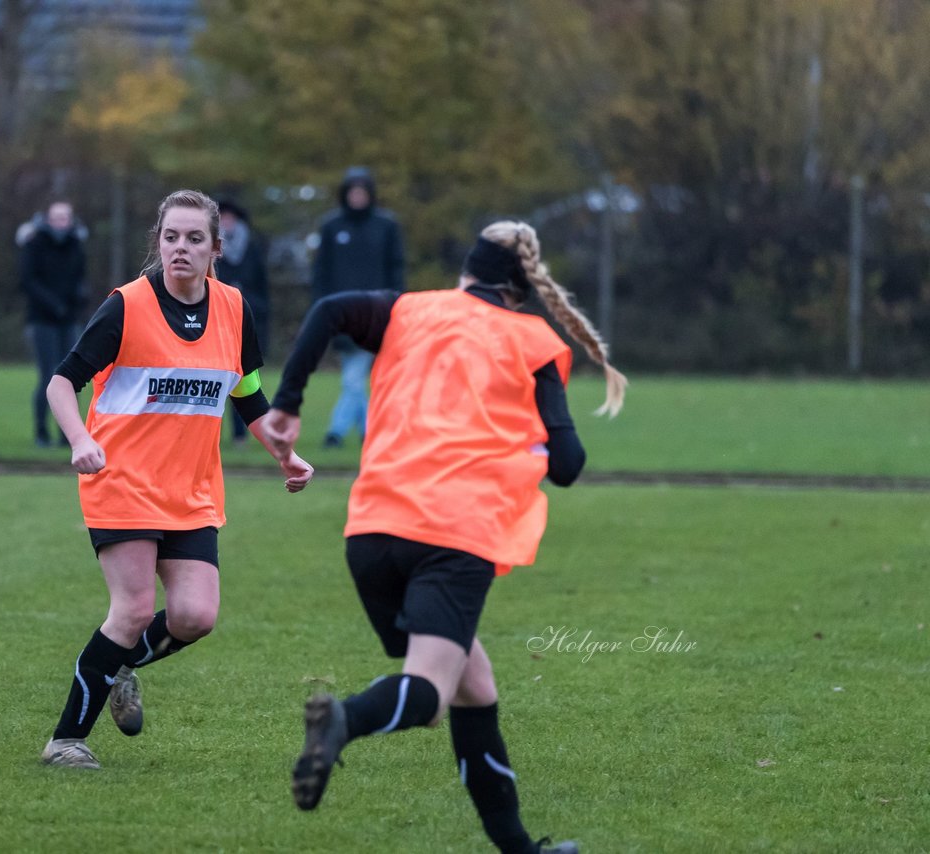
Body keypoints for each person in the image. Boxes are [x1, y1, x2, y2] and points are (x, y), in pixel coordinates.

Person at [264, 220, 627, 854]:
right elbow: (567, 467)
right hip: (455, 533)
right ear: (523, 288)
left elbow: (328, 310)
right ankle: (342, 720)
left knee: (472, 687)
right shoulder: (531, 338)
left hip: (371, 530)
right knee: (430, 692)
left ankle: (521, 850)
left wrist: (288, 402)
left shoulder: (409, 310)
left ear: (465, 271)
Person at [40, 189, 314, 770]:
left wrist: (284, 455)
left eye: (194, 239)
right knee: (135, 608)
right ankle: (66, 740)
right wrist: (80, 439)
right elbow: (61, 383)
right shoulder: (126, 307)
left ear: (217, 248)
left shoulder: (234, 308)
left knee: (196, 617)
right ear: (157, 243)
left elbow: (246, 394)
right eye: (171, 237)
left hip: (190, 491)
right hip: (122, 481)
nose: (180, 249)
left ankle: (117, 667)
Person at [310, 166, 404, 448]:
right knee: (354, 376)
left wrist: (396, 303)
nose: (358, 197)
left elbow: (396, 269)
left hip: (377, 311)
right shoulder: (332, 227)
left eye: (362, 192)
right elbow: (321, 272)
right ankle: (368, 430)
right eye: (353, 192)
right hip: (341, 313)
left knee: (354, 376)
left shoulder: (386, 226)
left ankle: (336, 431)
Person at [21, 200, 89, 448]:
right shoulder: (34, 245)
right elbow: (28, 281)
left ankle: (67, 434)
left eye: (65, 217)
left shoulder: (76, 245)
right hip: (42, 320)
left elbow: (80, 278)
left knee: (70, 377)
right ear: (48, 219)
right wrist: (53, 304)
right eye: (56, 217)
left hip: (69, 320)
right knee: (47, 375)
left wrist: (80, 297)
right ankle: (41, 432)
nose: (61, 222)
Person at [214, 198, 270, 446]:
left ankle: (240, 433)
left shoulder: (251, 247)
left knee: (242, 378)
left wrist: (253, 305)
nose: (227, 222)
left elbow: (262, 284)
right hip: (215, 316)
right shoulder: (209, 246)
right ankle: (209, 432)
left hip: (244, 316)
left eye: (230, 217)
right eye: (222, 217)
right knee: (214, 379)